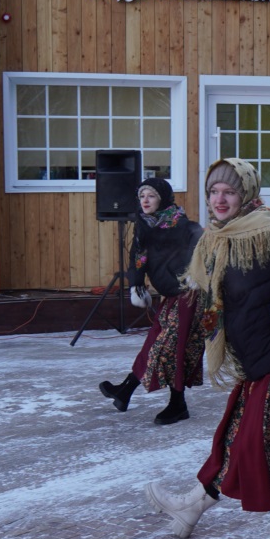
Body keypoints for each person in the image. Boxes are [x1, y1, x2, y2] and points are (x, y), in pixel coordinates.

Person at [143, 158, 270, 539]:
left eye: (229, 191)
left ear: (245, 193)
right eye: (213, 191)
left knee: (269, 441)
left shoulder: (267, 229)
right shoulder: (219, 237)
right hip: (259, 356)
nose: (220, 199)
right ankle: (193, 505)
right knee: (234, 435)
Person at [98, 177, 204, 424]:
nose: (145, 201)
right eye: (142, 196)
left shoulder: (183, 225)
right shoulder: (144, 225)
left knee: (170, 348)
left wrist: (196, 275)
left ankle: (178, 404)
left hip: (188, 295)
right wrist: (136, 284)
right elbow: (138, 257)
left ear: (163, 199)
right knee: (155, 344)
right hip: (169, 295)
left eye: (151, 196)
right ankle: (125, 390)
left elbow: (202, 252)